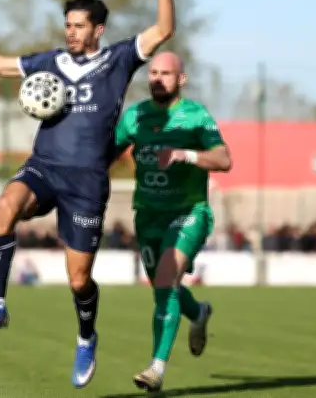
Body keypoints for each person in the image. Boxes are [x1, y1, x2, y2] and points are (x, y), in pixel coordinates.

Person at [0, 0, 175, 389]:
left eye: (78, 25)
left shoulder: (119, 59)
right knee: (5, 205)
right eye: (67, 25)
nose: (70, 32)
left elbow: (163, 29)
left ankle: (87, 336)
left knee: (78, 280)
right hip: (44, 167)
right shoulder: (49, 62)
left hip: (87, 182)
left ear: (97, 30)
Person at [114, 51, 232, 393]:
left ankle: (156, 368)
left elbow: (224, 159)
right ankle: (197, 313)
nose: (157, 78)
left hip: (188, 212)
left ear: (181, 79)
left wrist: (188, 155)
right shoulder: (135, 116)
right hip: (148, 214)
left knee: (166, 280)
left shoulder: (195, 115)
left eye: (166, 73)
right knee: (164, 288)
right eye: (153, 72)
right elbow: (107, 155)